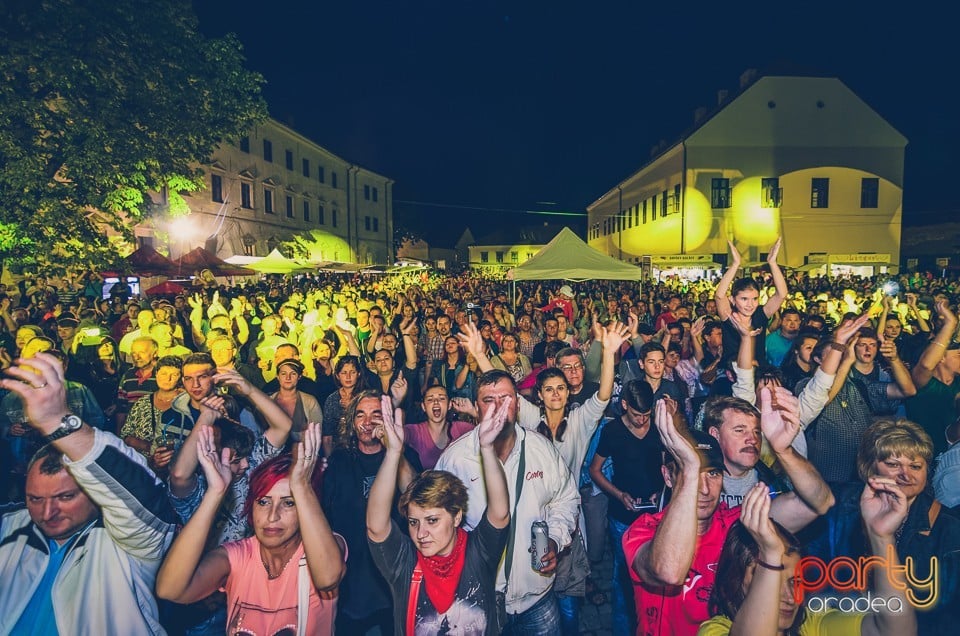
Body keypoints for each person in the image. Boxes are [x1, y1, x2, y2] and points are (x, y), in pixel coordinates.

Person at [0, 352, 178, 634]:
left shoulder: (128, 544)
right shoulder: (11, 526)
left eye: (65, 497)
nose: (47, 513)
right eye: (35, 499)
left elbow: (145, 495)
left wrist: (58, 422)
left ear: (95, 491)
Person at [157, 423, 347, 635]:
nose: (272, 516)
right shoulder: (239, 556)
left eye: (288, 503)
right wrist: (215, 494)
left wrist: (302, 487)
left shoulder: (324, 547)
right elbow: (170, 589)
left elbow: (327, 578)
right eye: (263, 502)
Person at [436, 370, 581, 634]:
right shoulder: (456, 459)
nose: (499, 406)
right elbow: (437, 523)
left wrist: (555, 539)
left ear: (517, 402)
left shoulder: (541, 450)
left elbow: (566, 498)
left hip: (536, 598)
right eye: (488, 399)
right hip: (479, 598)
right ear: (475, 408)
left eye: (506, 398)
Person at [698, 476, 917, 636]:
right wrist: (770, 556)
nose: (790, 597)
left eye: (795, 582)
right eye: (772, 582)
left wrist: (881, 538)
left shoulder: (809, 625)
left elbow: (895, 631)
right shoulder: (715, 630)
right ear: (736, 582)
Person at [368, 394, 511, 635]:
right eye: (413, 522)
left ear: (456, 517)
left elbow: (500, 513)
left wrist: (487, 449)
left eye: (432, 520)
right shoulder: (405, 563)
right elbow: (376, 527)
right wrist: (393, 453)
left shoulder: (478, 552)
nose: (420, 533)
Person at [806, 418, 960, 633]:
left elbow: (946, 618)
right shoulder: (842, 505)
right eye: (893, 464)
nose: (906, 474)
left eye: (915, 466)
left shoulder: (949, 529)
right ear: (869, 467)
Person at [323, 390, 423, 634]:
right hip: (351, 582)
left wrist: (394, 450)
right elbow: (324, 517)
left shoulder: (405, 456)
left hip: (393, 581)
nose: (367, 423)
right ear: (352, 421)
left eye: (375, 415)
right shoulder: (340, 460)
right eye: (360, 415)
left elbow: (416, 499)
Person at [589, 380, 665, 636]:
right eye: (637, 414)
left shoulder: (658, 427)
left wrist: (663, 491)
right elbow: (595, 470)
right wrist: (619, 495)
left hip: (657, 515)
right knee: (623, 580)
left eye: (647, 414)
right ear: (624, 405)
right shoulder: (612, 431)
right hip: (623, 518)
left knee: (656, 576)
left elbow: (672, 467)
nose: (643, 420)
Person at [715, 237, 788, 368]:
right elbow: (719, 296)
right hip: (731, 373)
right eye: (744, 299)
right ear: (732, 299)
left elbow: (781, 294)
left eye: (755, 299)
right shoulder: (728, 315)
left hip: (758, 371)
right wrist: (735, 264)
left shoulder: (760, 314)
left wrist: (772, 263)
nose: (750, 304)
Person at [120, 355, 183, 464]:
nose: (168, 378)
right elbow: (126, 436)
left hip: (177, 465)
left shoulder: (185, 403)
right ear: (156, 374)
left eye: (174, 374)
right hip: (143, 465)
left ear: (181, 377)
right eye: (163, 373)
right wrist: (149, 447)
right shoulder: (142, 403)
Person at [404, 385, 475, 470]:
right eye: (430, 399)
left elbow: (488, 436)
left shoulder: (461, 428)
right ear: (423, 407)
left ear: (449, 405)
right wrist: (396, 401)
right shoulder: (416, 431)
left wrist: (473, 412)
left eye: (441, 398)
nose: (436, 401)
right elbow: (396, 436)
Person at [321, 355, 366, 456]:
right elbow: (327, 435)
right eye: (344, 373)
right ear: (337, 375)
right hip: (339, 452)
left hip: (364, 449)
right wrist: (330, 461)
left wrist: (353, 407)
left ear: (358, 374)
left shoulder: (367, 397)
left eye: (352, 372)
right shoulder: (332, 399)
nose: (348, 377)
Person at [271, 358, 323, 441]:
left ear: (299, 377)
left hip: (303, 451)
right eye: (284, 374)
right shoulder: (268, 401)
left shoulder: (310, 401)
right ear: (277, 376)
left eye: (293, 374)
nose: (288, 378)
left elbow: (317, 432)